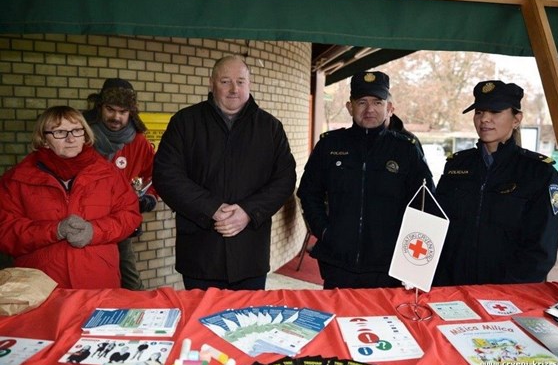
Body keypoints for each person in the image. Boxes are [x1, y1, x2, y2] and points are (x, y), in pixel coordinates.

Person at [153, 55, 296, 290]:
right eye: (225, 81)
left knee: (248, 321)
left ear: (249, 84)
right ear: (211, 83)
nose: (233, 89)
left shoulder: (270, 128)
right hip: (200, 254)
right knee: (200, 323)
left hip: (249, 254)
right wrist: (211, 208)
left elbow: (285, 179)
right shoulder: (185, 122)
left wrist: (248, 212)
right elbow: (166, 175)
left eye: (240, 82)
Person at [297, 71, 435, 289]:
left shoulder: (406, 150)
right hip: (338, 264)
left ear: (389, 108)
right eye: (362, 102)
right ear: (350, 107)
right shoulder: (330, 145)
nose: (369, 109)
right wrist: (323, 231)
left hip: (388, 268)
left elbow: (426, 205)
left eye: (377, 102)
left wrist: (413, 263)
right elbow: (308, 192)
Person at [433, 80, 558, 286]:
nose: (484, 119)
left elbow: (540, 252)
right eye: (479, 112)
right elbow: (436, 226)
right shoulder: (456, 166)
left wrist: (505, 293)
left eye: (495, 112)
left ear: (516, 119)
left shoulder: (538, 173)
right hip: (451, 289)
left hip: (506, 295)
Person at [0, 106, 141, 289]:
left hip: (99, 284)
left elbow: (130, 216)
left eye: (76, 130)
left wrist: (94, 231)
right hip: (43, 289)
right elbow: (5, 231)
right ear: (43, 139)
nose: (71, 138)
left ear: (85, 134)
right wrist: (54, 230)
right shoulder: (16, 180)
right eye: (60, 132)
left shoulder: (109, 174)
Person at [85, 78, 157, 290]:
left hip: (119, 224)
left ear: (131, 113)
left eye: (123, 111)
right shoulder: (82, 135)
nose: (116, 117)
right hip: (85, 222)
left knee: (131, 281)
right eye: (110, 109)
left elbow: (152, 174)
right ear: (100, 107)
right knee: (92, 279)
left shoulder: (139, 141)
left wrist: (149, 197)